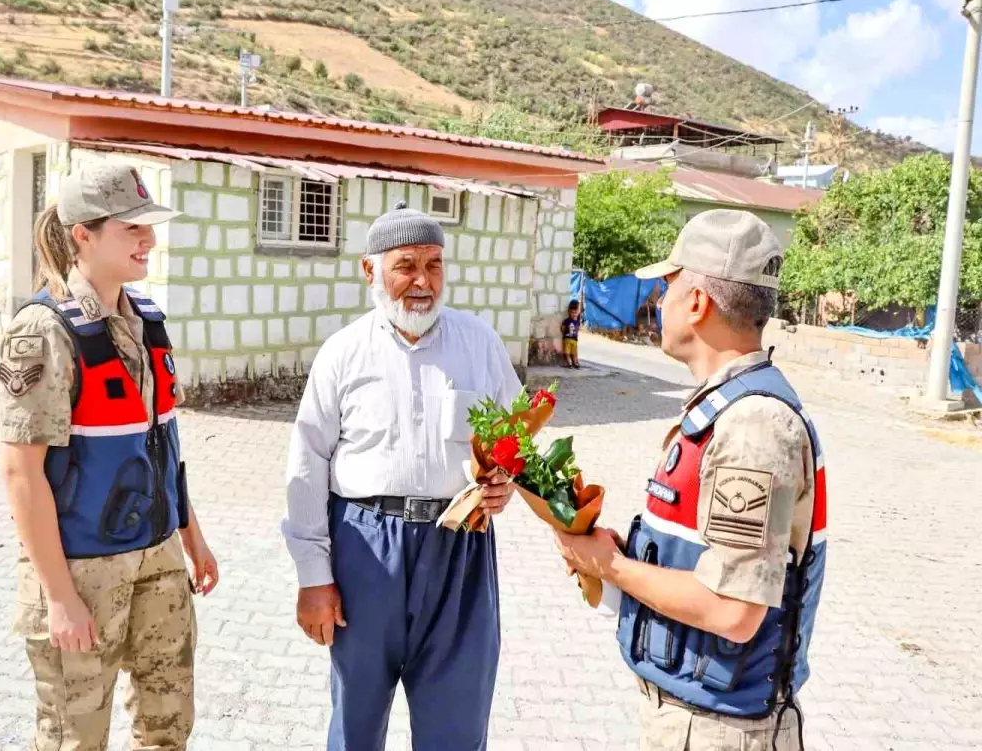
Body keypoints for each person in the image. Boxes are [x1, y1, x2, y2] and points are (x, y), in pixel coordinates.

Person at [553, 209, 826, 751]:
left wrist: (607, 564)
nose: (659, 300)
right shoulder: (728, 406)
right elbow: (711, 557)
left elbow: (733, 610)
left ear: (697, 303)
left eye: (669, 285)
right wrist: (628, 552)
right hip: (696, 718)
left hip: (719, 730)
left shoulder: (753, 425)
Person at [281, 201, 524, 751]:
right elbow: (306, 466)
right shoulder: (343, 352)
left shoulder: (478, 342)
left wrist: (505, 478)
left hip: (459, 547)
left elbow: (515, 437)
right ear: (370, 271)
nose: (423, 281)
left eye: (434, 265)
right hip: (365, 548)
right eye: (406, 265)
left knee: (456, 723)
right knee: (357, 722)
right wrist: (313, 577)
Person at [0, 162, 220, 751]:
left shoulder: (147, 323)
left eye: (149, 227)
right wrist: (60, 599)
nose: (148, 239)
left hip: (158, 557)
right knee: (76, 737)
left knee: (168, 726)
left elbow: (161, 447)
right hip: (81, 568)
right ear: (83, 236)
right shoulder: (45, 331)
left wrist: (191, 537)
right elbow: (21, 473)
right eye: (132, 229)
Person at [561, 299, 582, 368]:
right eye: (572, 312)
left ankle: (575, 362)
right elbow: (562, 328)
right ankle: (569, 362)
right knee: (567, 352)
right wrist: (564, 330)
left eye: (575, 312)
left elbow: (578, 329)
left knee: (574, 353)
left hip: (575, 340)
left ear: (578, 312)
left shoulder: (578, 321)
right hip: (567, 339)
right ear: (569, 312)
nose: (574, 314)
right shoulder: (567, 320)